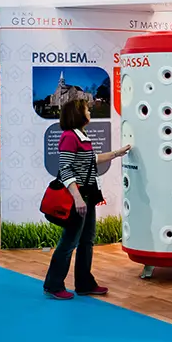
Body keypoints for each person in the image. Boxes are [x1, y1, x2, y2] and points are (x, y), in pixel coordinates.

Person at [43, 99, 131, 300]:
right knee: (69, 242)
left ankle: (84, 283)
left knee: (87, 240)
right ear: (77, 113)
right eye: (86, 109)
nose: (89, 111)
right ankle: (53, 284)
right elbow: (65, 169)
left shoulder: (80, 135)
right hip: (79, 196)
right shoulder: (68, 137)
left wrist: (117, 153)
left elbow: (91, 159)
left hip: (88, 194)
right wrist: (77, 198)